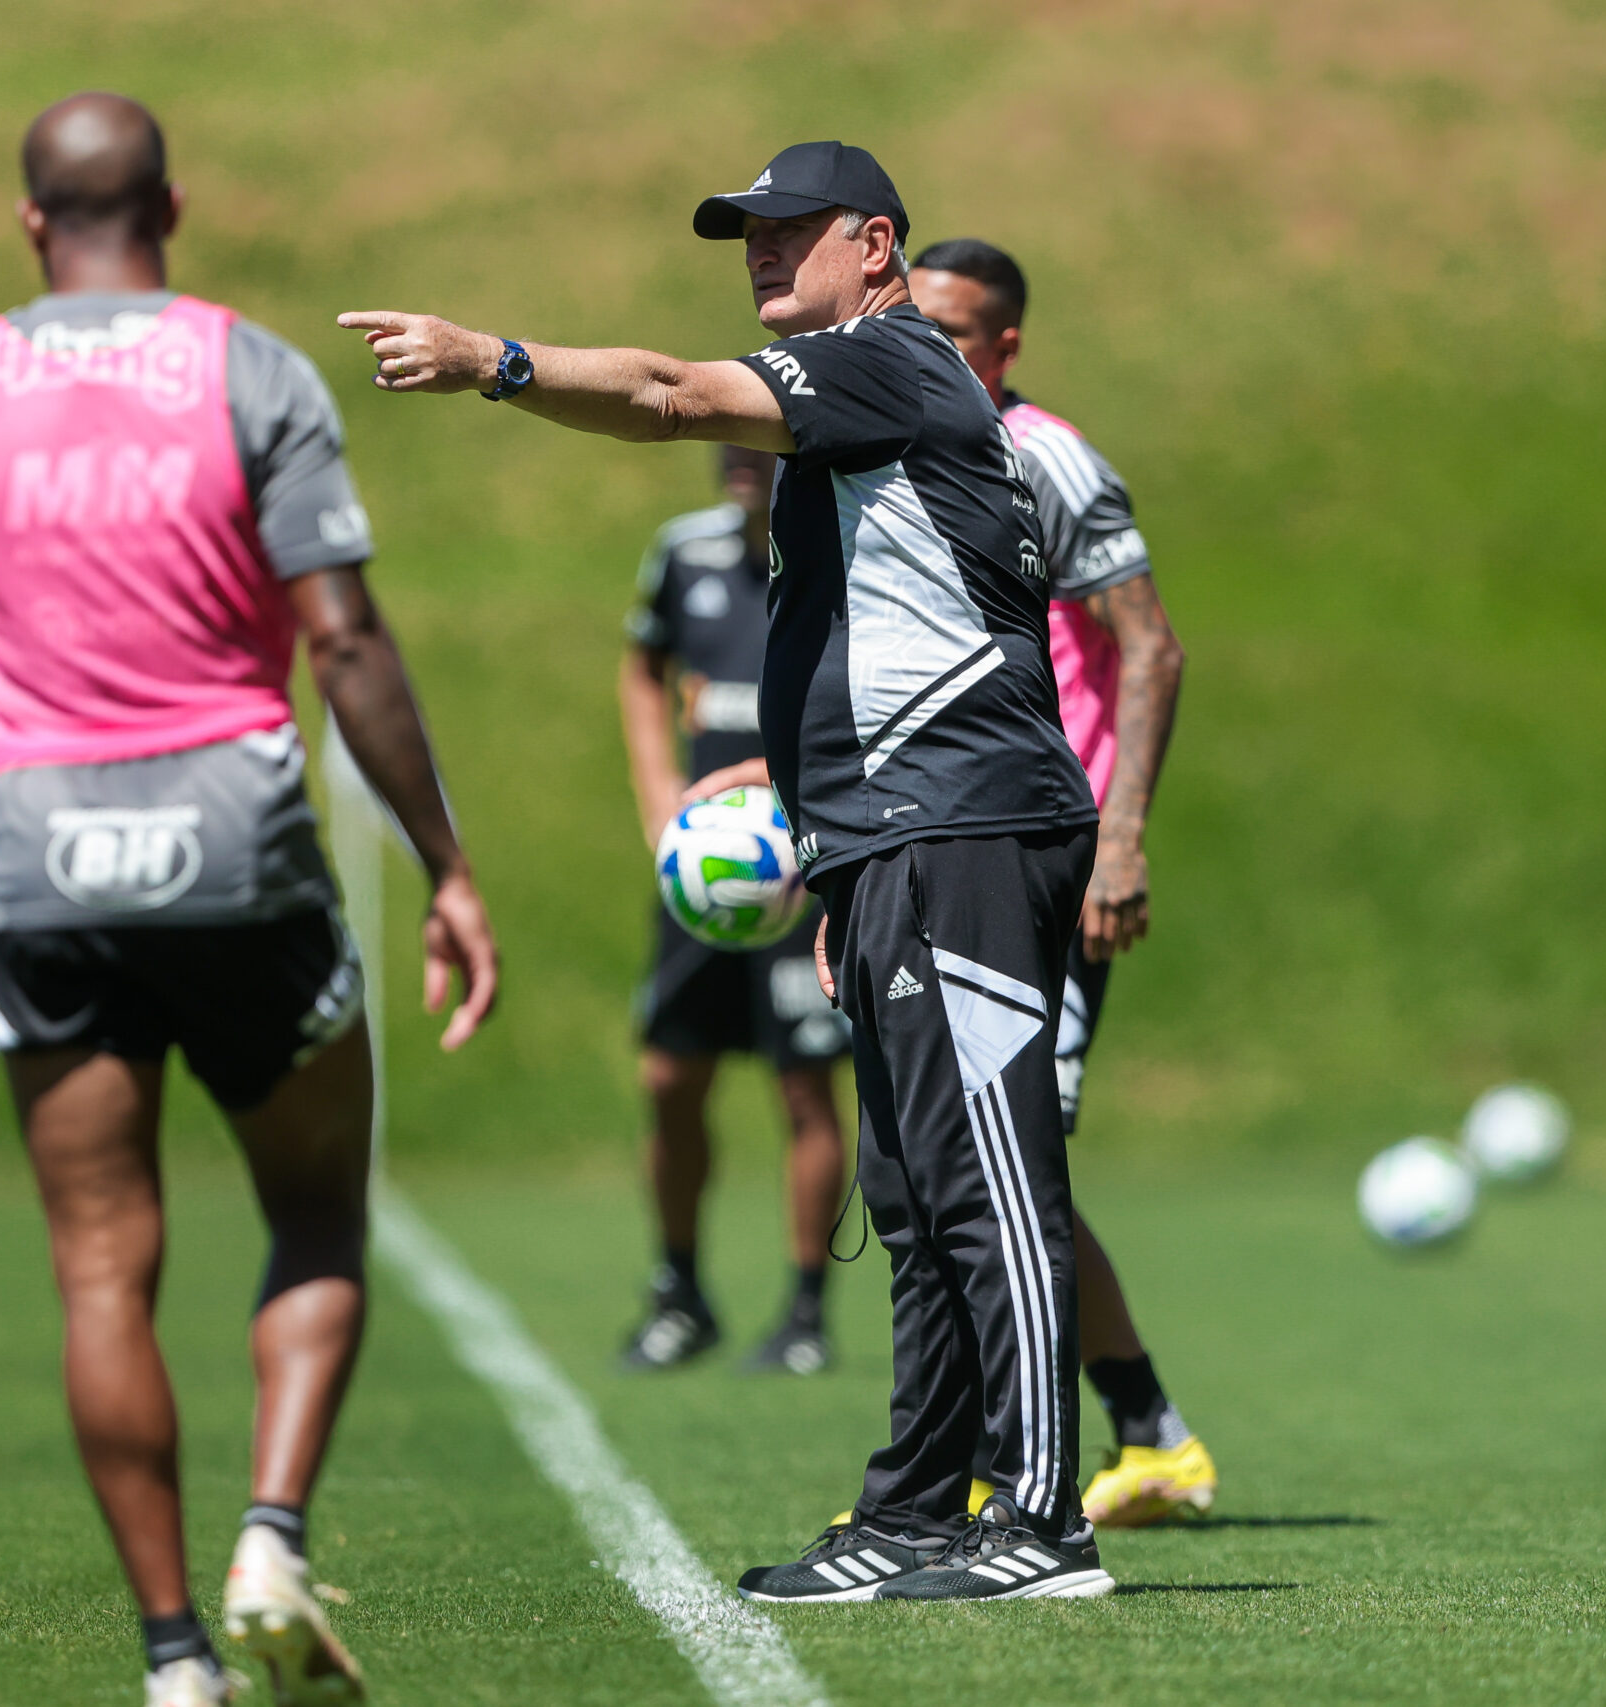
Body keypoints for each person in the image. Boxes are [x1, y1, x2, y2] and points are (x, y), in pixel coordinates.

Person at [339, 140, 1112, 1600]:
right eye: (743, 234)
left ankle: (1043, 1519)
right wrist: (831, 852)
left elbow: (664, 394)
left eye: (788, 230)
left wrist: (492, 358)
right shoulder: (854, 403)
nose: (760, 252)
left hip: (963, 824)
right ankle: (918, 1510)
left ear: (877, 245)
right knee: (907, 1184)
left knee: (987, 1173)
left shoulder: (886, 357)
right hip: (892, 838)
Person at [0, 93, 498, 1707]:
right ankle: (272, 1538)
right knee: (314, 1208)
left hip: (43, 852)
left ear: (31, 223)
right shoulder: (250, 369)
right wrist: (446, 863)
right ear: (176, 206)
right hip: (238, 845)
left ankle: (172, 1660)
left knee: (100, 1265)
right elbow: (346, 640)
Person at [909, 241, 1216, 1527]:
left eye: (958, 337)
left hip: (1052, 864)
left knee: (1010, 1165)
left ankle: (1022, 1462)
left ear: (1008, 349)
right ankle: (1138, 1431)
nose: (932, 355)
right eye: (911, 331)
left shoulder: (1049, 459)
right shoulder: (892, 451)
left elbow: (1149, 649)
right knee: (961, 1163)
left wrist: (1122, 839)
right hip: (945, 854)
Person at [618, 445, 851, 1376]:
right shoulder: (684, 552)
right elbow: (642, 667)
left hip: (803, 865)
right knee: (671, 1075)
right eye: (727, 443)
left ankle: (804, 1311)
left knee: (805, 1084)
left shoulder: (837, 545)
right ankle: (679, 1292)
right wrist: (656, 794)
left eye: (761, 442)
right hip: (704, 869)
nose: (740, 460)